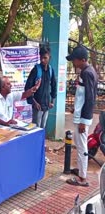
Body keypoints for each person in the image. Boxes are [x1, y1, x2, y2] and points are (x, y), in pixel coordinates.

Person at [65, 45, 98, 187]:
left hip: (82, 119)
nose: (73, 62)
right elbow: (82, 97)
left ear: (82, 60)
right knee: (80, 146)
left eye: (75, 60)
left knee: (81, 147)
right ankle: (81, 171)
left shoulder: (87, 73)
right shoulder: (87, 71)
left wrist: (83, 120)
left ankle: (82, 178)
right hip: (80, 116)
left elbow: (90, 98)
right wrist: (75, 109)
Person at [25, 46, 57, 128]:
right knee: (35, 128)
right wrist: (34, 102)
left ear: (49, 57)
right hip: (37, 106)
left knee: (43, 128)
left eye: (45, 58)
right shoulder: (36, 70)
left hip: (46, 106)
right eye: (41, 58)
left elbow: (54, 86)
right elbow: (27, 88)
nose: (42, 60)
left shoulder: (50, 70)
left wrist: (52, 101)